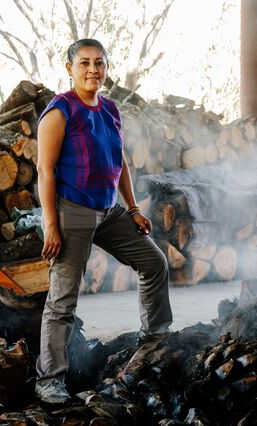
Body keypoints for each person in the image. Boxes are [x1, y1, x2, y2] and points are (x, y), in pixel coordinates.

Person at [35, 38, 173, 404]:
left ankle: (155, 338)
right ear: (70, 69)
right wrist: (52, 224)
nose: (93, 69)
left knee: (154, 261)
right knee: (63, 301)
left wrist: (132, 207)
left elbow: (120, 162)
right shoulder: (59, 111)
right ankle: (49, 380)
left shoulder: (110, 108)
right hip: (73, 210)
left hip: (108, 209)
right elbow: (44, 171)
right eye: (84, 63)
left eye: (99, 62)